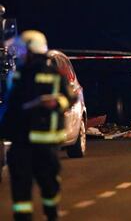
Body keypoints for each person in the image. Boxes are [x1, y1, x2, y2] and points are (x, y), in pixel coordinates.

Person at [0, 30, 76, 221]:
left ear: (32, 51)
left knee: (48, 184)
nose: (21, 54)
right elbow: (12, 105)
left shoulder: (54, 75)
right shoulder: (18, 76)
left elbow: (70, 97)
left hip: (45, 142)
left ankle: (51, 214)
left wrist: (57, 102)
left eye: (24, 50)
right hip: (22, 141)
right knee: (21, 186)